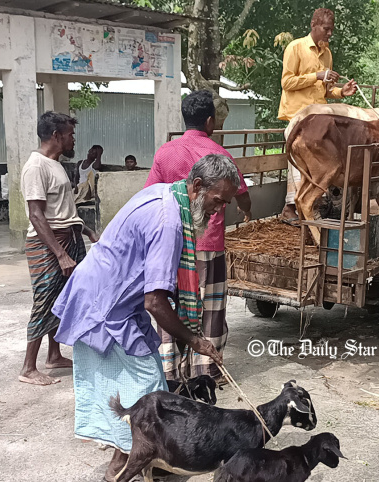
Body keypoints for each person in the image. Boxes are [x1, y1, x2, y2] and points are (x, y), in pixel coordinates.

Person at [52, 154, 237, 481]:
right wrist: (196, 341)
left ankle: (130, 463)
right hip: (104, 306)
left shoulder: (168, 193)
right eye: (217, 201)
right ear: (196, 187)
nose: (218, 210)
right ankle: (121, 469)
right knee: (148, 396)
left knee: (143, 391)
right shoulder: (169, 221)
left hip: (116, 300)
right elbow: (155, 301)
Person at [144, 89, 251, 383]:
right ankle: (207, 372)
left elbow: (151, 193)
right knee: (210, 307)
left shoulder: (165, 152)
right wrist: (247, 211)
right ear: (210, 122)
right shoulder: (220, 156)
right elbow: (241, 193)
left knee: (173, 306)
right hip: (208, 244)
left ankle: (169, 372)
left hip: (173, 246)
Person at [19, 111, 99, 386]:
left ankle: (54, 355)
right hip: (50, 244)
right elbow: (36, 215)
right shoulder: (35, 166)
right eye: (69, 134)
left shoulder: (56, 165)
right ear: (56, 136)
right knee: (44, 300)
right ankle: (28, 368)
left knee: (64, 299)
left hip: (70, 237)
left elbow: (65, 210)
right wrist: (60, 253)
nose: (73, 139)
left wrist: (86, 230)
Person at [277, 8, 358, 225]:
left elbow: (324, 91)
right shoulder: (296, 47)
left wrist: (341, 92)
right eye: (326, 29)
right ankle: (292, 208)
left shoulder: (327, 53)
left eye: (331, 29)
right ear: (314, 25)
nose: (329, 33)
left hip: (320, 119)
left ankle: (305, 207)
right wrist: (317, 75)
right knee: (300, 163)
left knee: (321, 163)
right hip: (297, 117)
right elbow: (287, 83)